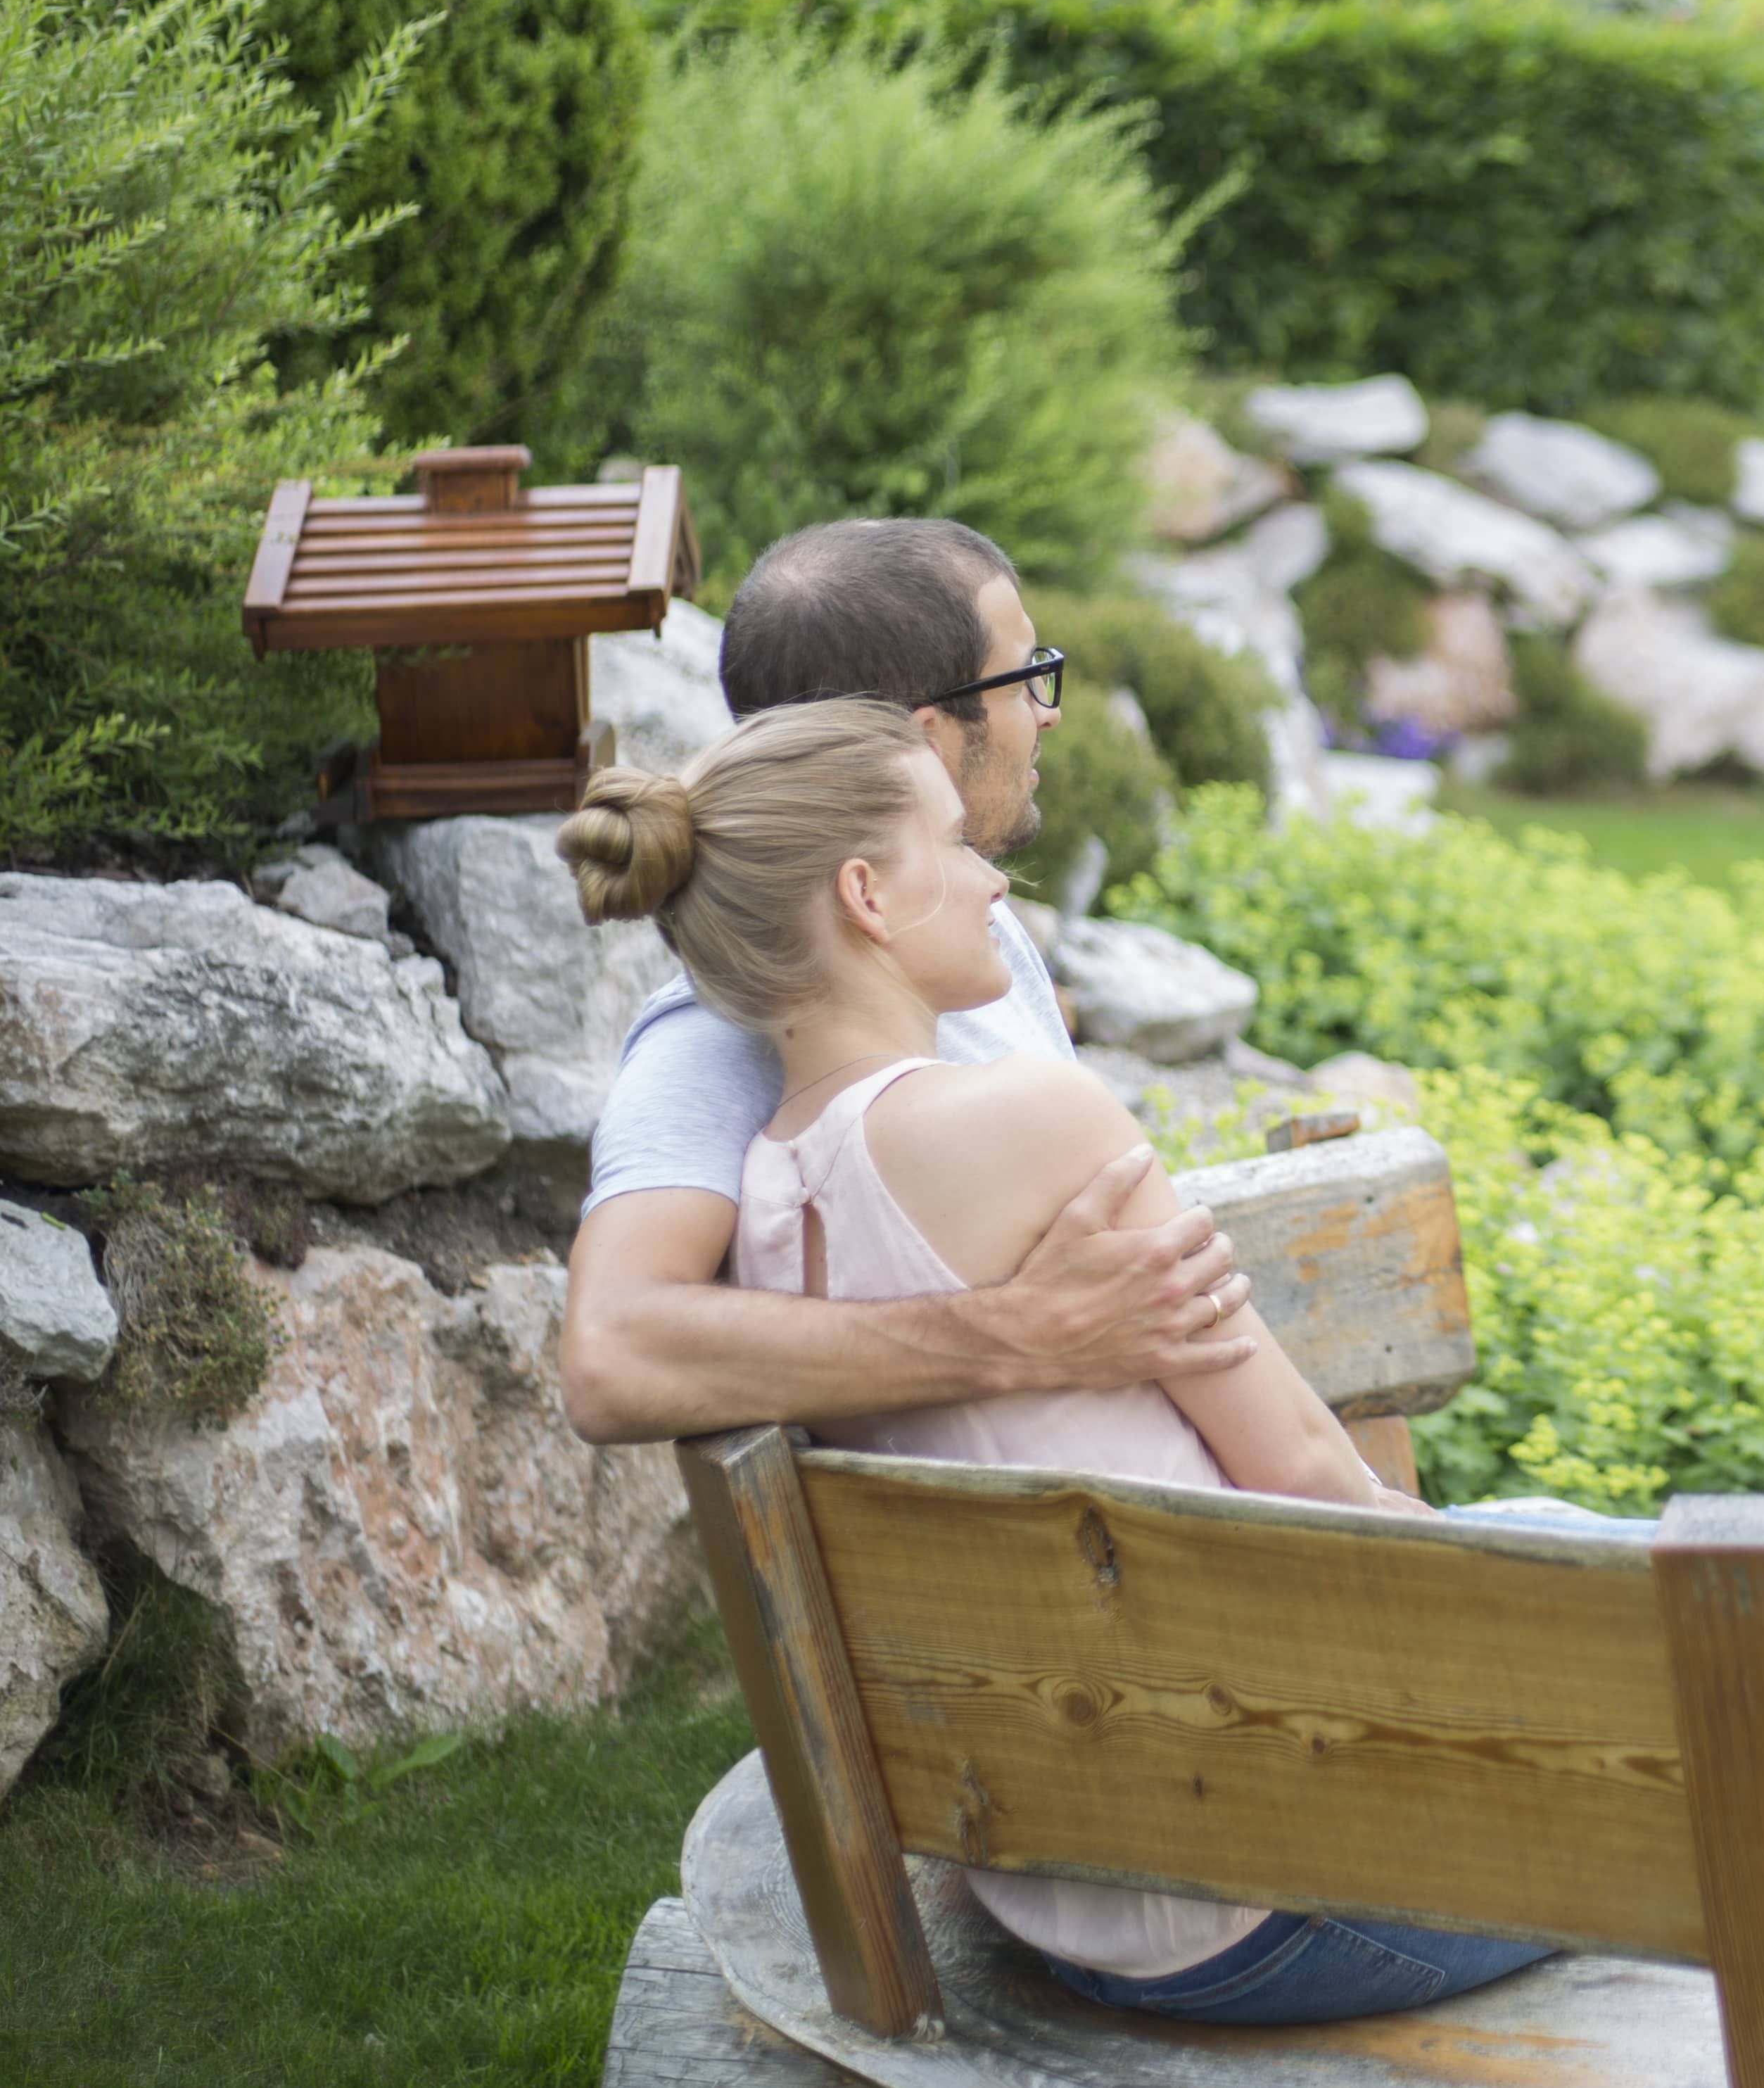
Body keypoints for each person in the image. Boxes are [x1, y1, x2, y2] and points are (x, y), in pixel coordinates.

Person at [557, 696, 1556, 2024]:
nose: (991, 871)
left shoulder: (762, 1206)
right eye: (950, 843)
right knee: (1738, 1721)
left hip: (1053, 1883)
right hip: (1277, 1883)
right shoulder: (1031, 1119)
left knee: (1566, 1547)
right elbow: (1315, 1483)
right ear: (865, 892)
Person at [559, 519, 1263, 1450]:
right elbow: (611, 1358)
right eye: (1024, 678)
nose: (1047, 712)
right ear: (926, 740)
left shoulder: (976, 936)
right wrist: (1019, 1334)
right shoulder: (719, 1031)